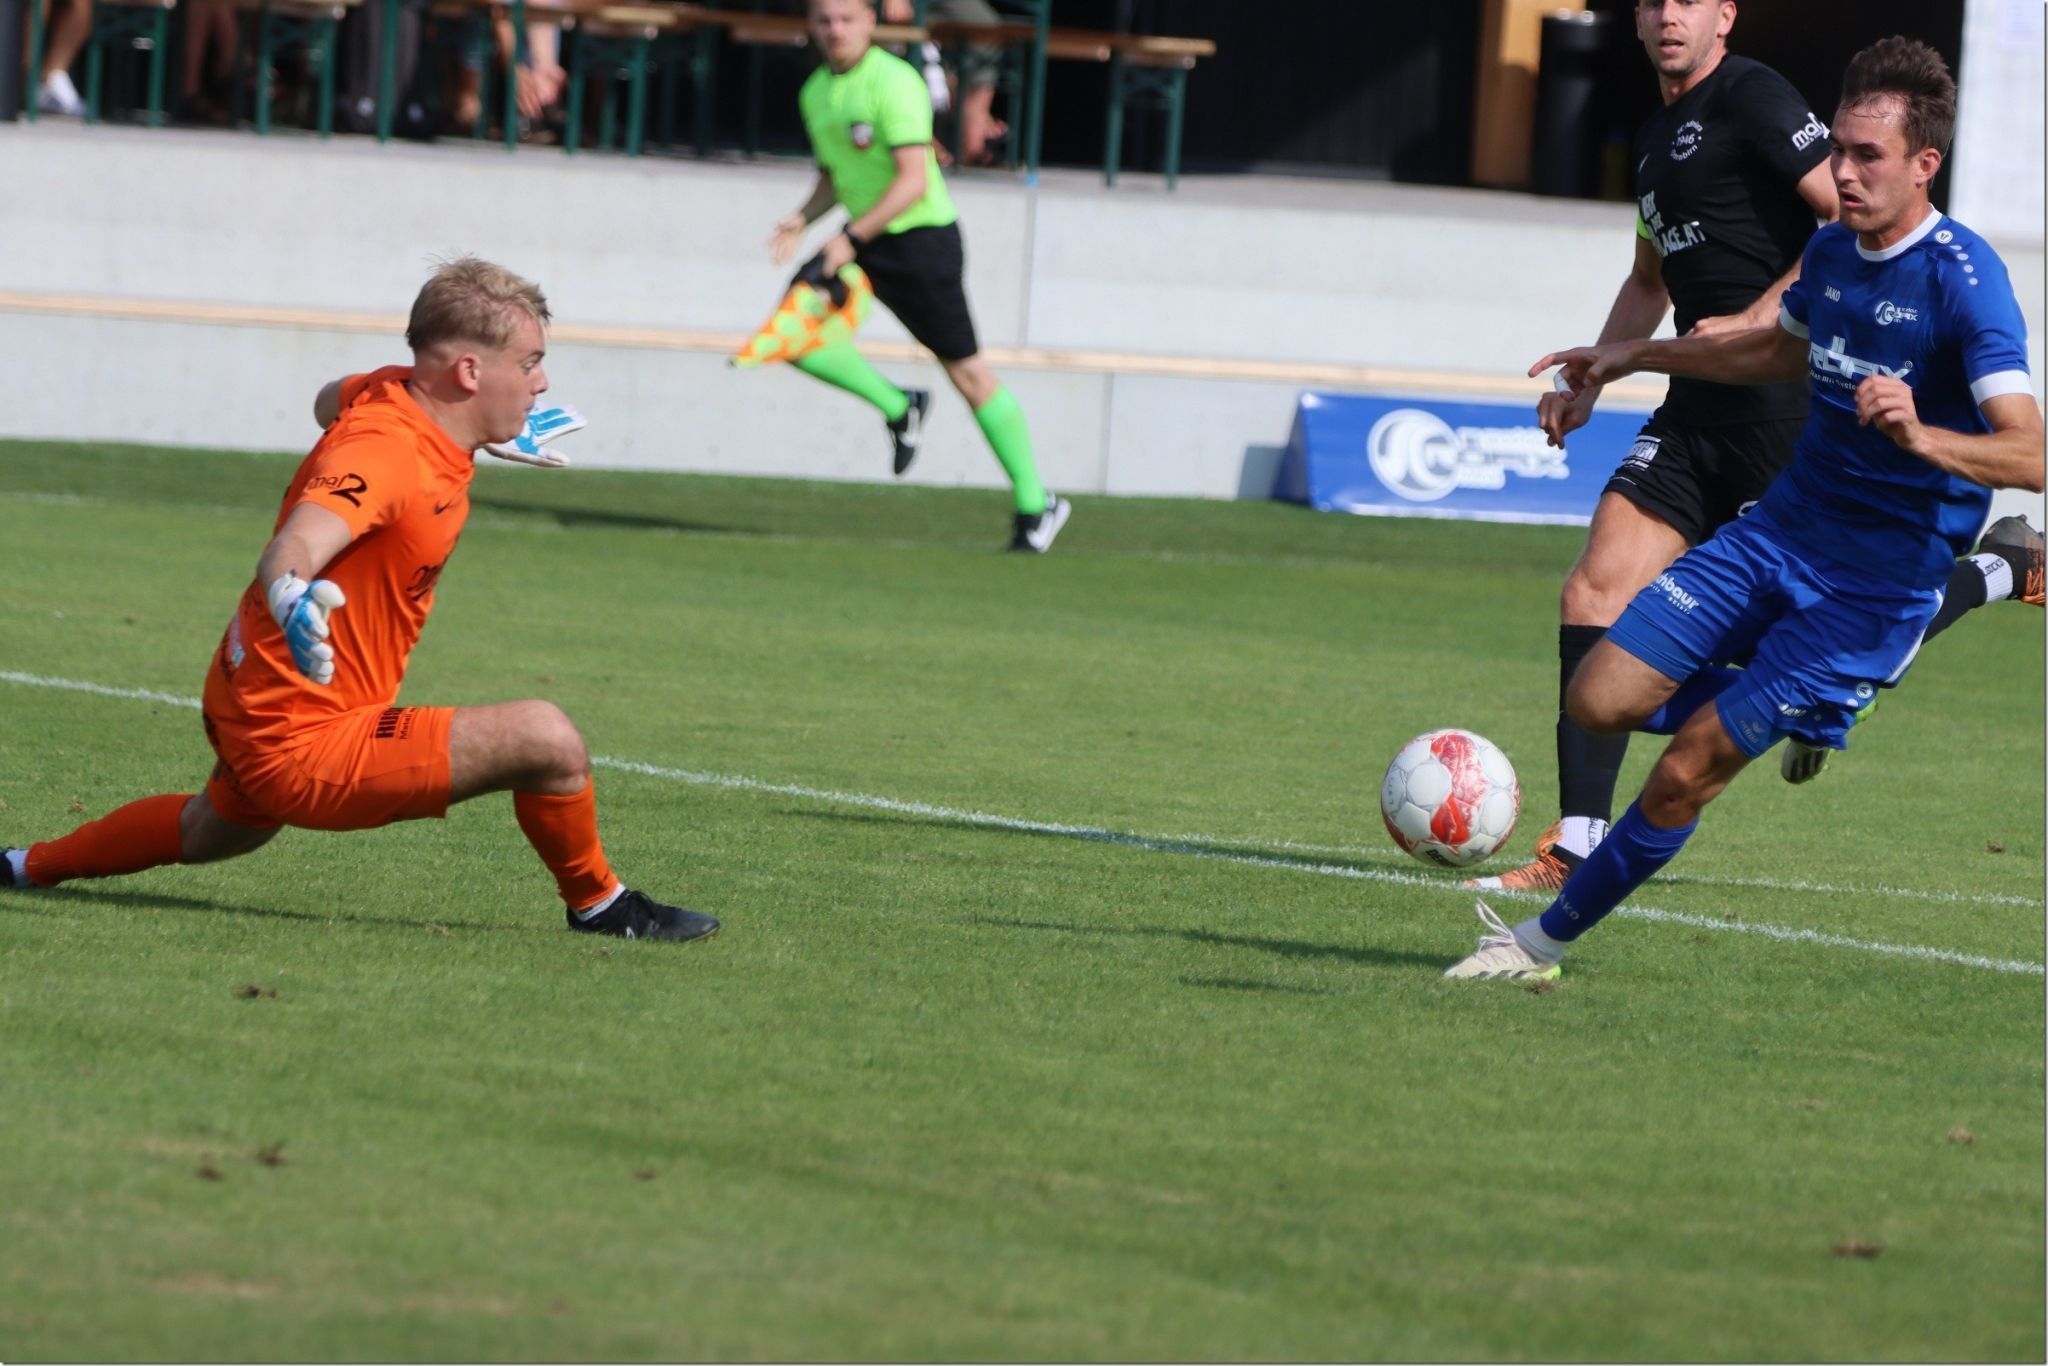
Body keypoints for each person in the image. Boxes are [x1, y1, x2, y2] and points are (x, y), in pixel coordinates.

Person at [1447, 36, 2044, 981]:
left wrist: (1924, 435)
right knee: (1597, 695)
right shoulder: (1832, 251)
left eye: (1867, 157)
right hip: (1780, 530)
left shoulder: (1964, 282)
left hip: (1873, 584)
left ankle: (1537, 946)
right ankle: (1812, 703)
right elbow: (1772, 351)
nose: (1841, 172)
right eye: (1839, 150)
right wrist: (1630, 358)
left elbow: (2032, 452)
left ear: (1925, 165)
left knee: (1689, 762)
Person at [3, 259, 719, 945]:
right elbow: (297, 543)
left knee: (211, 830)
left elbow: (326, 400)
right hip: (300, 735)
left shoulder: (392, 394)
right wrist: (290, 590)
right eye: (529, 363)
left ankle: (20, 866)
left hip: (248, 694)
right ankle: (601, 906)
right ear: (469, 371)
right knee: (546, 739)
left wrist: (478, 430)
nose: (543, 381)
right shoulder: (385, 454)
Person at [769, 0, 1068, 553]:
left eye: (847, 19)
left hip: (919, 242)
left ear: (870, 22)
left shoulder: (895, 80)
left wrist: (849, 238)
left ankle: (1037, 503)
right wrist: (803, 217)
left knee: (969, 375)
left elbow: (912, 180)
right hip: (861, 240)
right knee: (791, 335)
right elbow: (836, 176)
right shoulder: (816, 91)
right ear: (811, 26)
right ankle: (899, 405)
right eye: (824, 20)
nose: (835, 30)